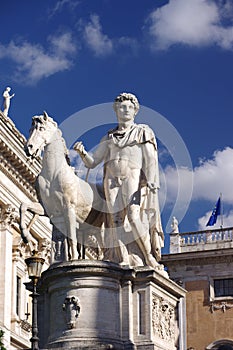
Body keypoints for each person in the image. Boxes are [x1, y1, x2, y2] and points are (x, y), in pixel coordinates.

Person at [74, 92, 164, 268]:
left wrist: (153, 180)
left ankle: (148, 257)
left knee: (132, 216)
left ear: (135, 111)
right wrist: (82, 152)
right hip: (111, 179)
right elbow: (93, 162)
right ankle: (122, 258)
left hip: (133, 175)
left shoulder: (142, 132)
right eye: (122, 107)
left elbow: (150, 159)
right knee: (115, 221)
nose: (125, 110)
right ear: (116, 110)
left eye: (129, 107)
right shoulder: (109, 137)